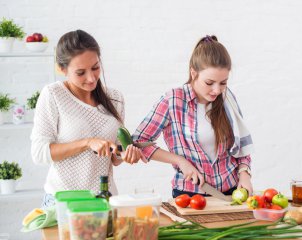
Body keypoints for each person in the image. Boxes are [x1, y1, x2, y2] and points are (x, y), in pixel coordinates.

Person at [31, 30, 141, 208]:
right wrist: (87, 143)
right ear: (61, 69)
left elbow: (114, 158)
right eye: (80, 72)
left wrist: (125, 155)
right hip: (63, 203)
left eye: (96, 68)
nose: (91, 78)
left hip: (105, 200)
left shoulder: (115, 98)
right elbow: (39, 153)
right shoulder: (53, 95)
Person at [133, 35, 253, 198]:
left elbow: (240, 145)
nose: (217, 90)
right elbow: (139, 142)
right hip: (190, 195)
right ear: (193, 73)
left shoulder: (227, 100)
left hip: (232, 192)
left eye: (223, 83)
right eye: (210, 83)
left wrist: (245, 173)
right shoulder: (173, 100)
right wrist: (180, 161)